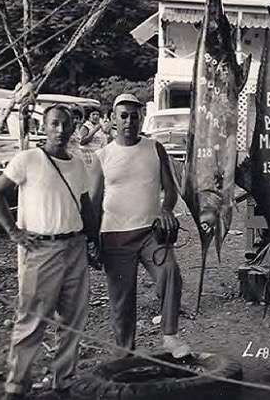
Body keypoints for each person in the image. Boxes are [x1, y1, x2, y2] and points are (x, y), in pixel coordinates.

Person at [0, 105, 99, 400]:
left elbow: (85, 204)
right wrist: (14, 233)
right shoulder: (28, 159)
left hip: (75, 247)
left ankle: (63, 381)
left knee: (74, 319)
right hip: (40, 248)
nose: (60, 130)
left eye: (66, 124)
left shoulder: (77, 163)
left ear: (74, 126)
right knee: (32, 319)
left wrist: (93, 240)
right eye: (54, 124)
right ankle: (17, 385)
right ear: (45, 126)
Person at [91, 93, 190, 358]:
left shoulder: (154, 148)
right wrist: (91, 240)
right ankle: (125, 352)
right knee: (122, 299)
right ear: (113, 119)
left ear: (141, 118)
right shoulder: (102, 156)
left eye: (134, 116)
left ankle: (170, 335)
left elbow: (170, 189)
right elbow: (93, 202)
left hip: (150, 233)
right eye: (123, 116)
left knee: (170, 273)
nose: (129, 121)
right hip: (114, 235)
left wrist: (166, 209)